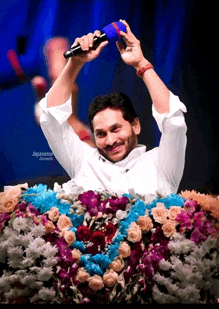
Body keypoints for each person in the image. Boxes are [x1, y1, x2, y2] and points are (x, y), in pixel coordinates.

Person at [38, 20, 187, 196]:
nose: (110, 141)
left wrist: (141, 64)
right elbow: (51, 119)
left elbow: (174, 122)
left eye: (115, 129)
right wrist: (75, 63)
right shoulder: (83, 162)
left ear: (136, 125)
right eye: (100, 134)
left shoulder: (161, 163)